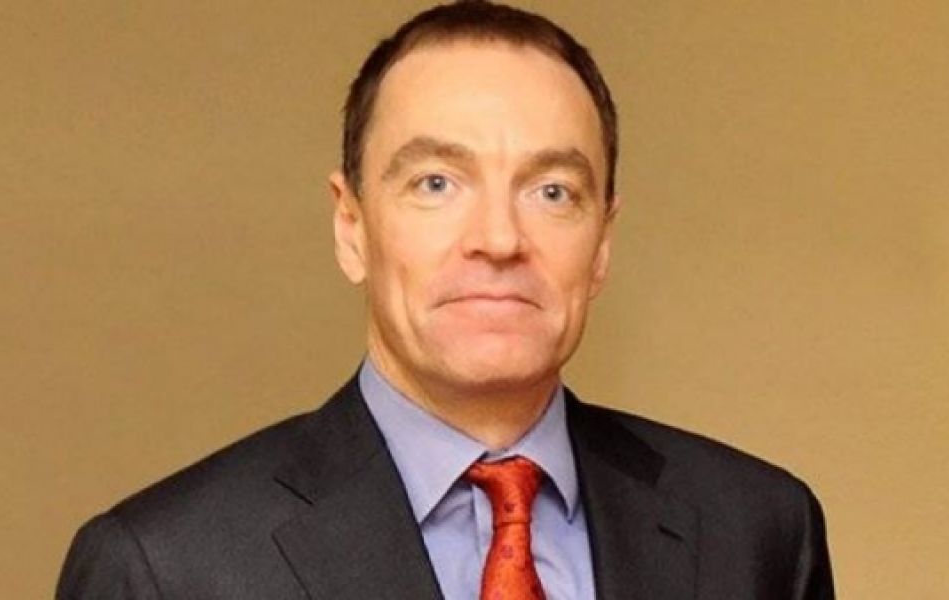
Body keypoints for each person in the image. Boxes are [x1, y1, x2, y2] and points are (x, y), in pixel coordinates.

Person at [56, 2, 834, 598]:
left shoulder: (756, 530)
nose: (497, 238)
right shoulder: (164, 568)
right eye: (436, 183)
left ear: (600, 243)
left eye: (551, 191)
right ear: (351, 228)